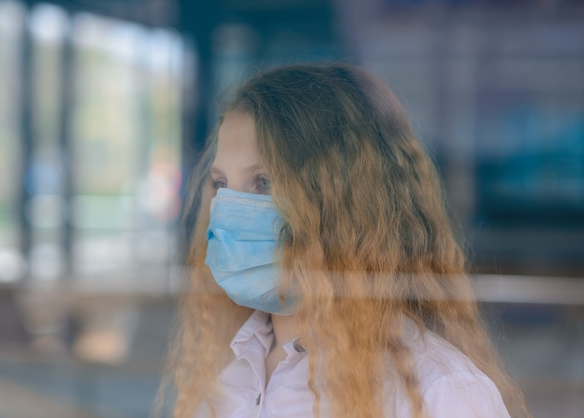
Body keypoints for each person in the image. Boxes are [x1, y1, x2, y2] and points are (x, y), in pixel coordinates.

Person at [158, 63, 530, 418]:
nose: (228, 210)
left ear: (343, 206)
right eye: (221, 184)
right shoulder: (227, 373)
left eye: (265, 183)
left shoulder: (438, 392)